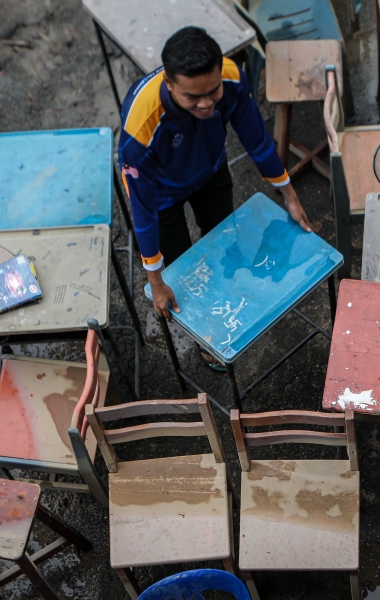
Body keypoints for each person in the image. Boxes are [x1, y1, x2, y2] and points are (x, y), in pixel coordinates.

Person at [118, 26, 321, 369]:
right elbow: (143, 212)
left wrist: (288, 193)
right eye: (192, 97)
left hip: (210, 170)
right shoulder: (140, 132)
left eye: (212, 92)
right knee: (184, 268)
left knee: (226, 242)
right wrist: (156, 280)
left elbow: (257, 140)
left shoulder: (230, 78)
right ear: (169, 84)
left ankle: (230, 304)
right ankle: (206, 334)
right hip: (161, 195)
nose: (206, 103)